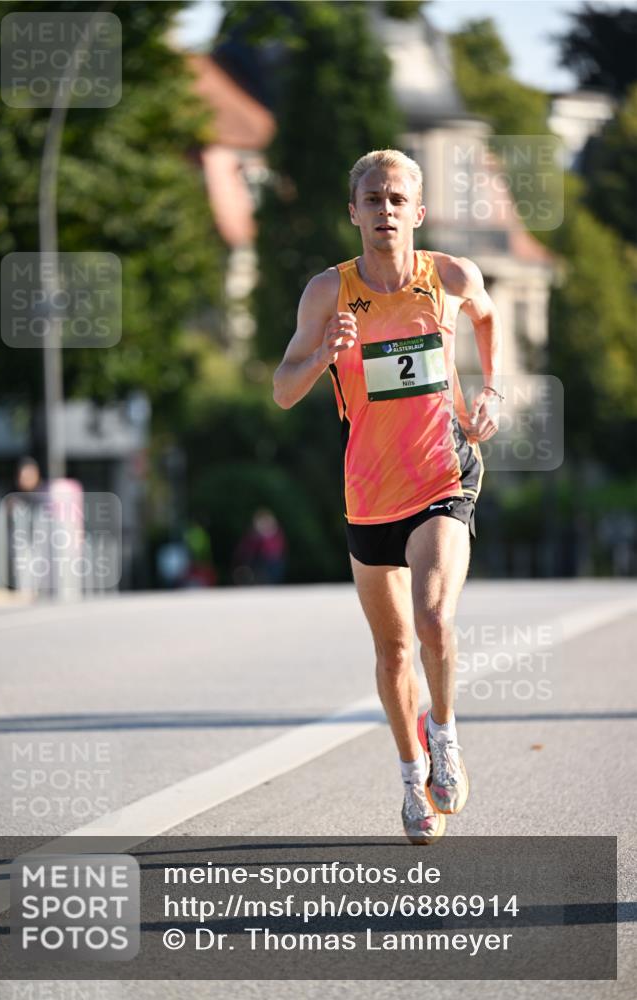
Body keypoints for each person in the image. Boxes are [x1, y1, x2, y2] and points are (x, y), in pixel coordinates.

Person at [272, 149, 502, 844]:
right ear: (353, 211)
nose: (384, 211)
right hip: (368, 491)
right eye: (372, 200)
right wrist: (321, 355)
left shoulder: (451, 277)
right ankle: (411, 777)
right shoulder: (327, 294)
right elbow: (283, 391)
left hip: (442, 475)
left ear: (418, 212)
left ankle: (446, 736)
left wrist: (491, 388)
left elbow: (488, 318)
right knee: (394, 650)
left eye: (397, 200)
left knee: (433, 621)